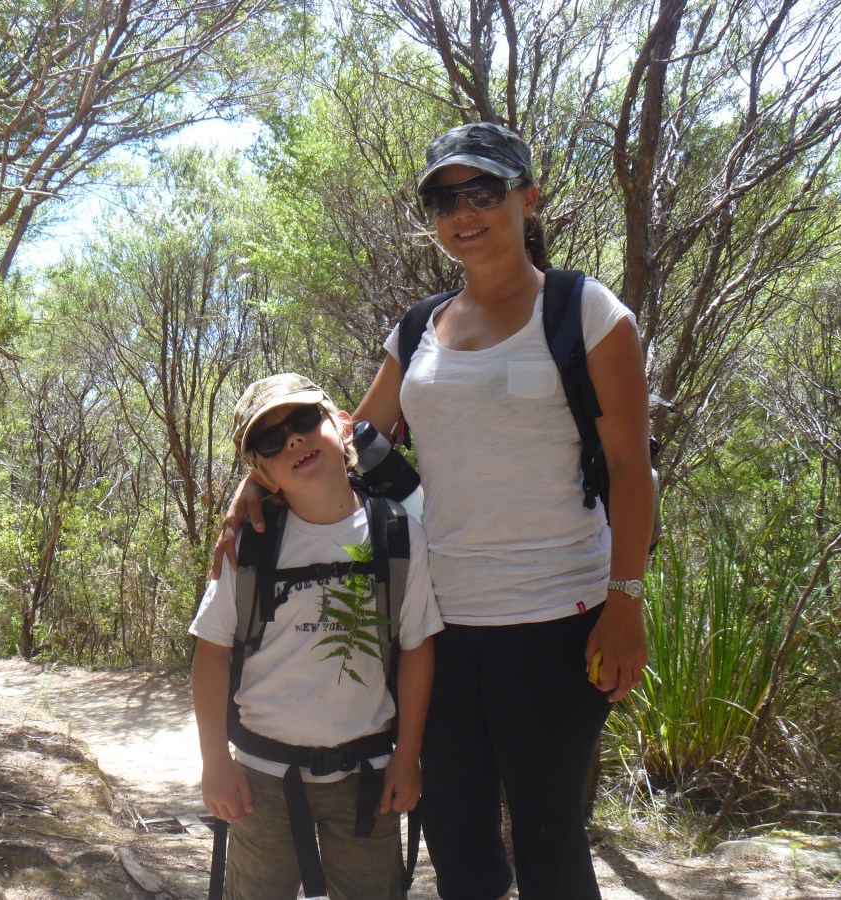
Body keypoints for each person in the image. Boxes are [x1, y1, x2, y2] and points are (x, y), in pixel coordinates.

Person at [212, 123, 653, 899]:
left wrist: (626, 602)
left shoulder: (587, 314)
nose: (464, 212)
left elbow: (628, 466)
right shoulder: (418, 329)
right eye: (444, 199)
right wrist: (258, 481)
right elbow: (346, 439)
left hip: (558, 615)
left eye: (482, 190)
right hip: (442, 622)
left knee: (548, 831)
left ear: (528, 197)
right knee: (454, 831)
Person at [192, 373, 443, 900]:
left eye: (304, 421)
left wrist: (408, 755)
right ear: (263, 473)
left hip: (367, 778)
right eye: (271, 440)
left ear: (341, 427)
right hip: (262, 778)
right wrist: (216, 760)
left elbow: (417, 649)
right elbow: (212, 654)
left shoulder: (399, 535)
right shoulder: (249, 547)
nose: (294, 441)